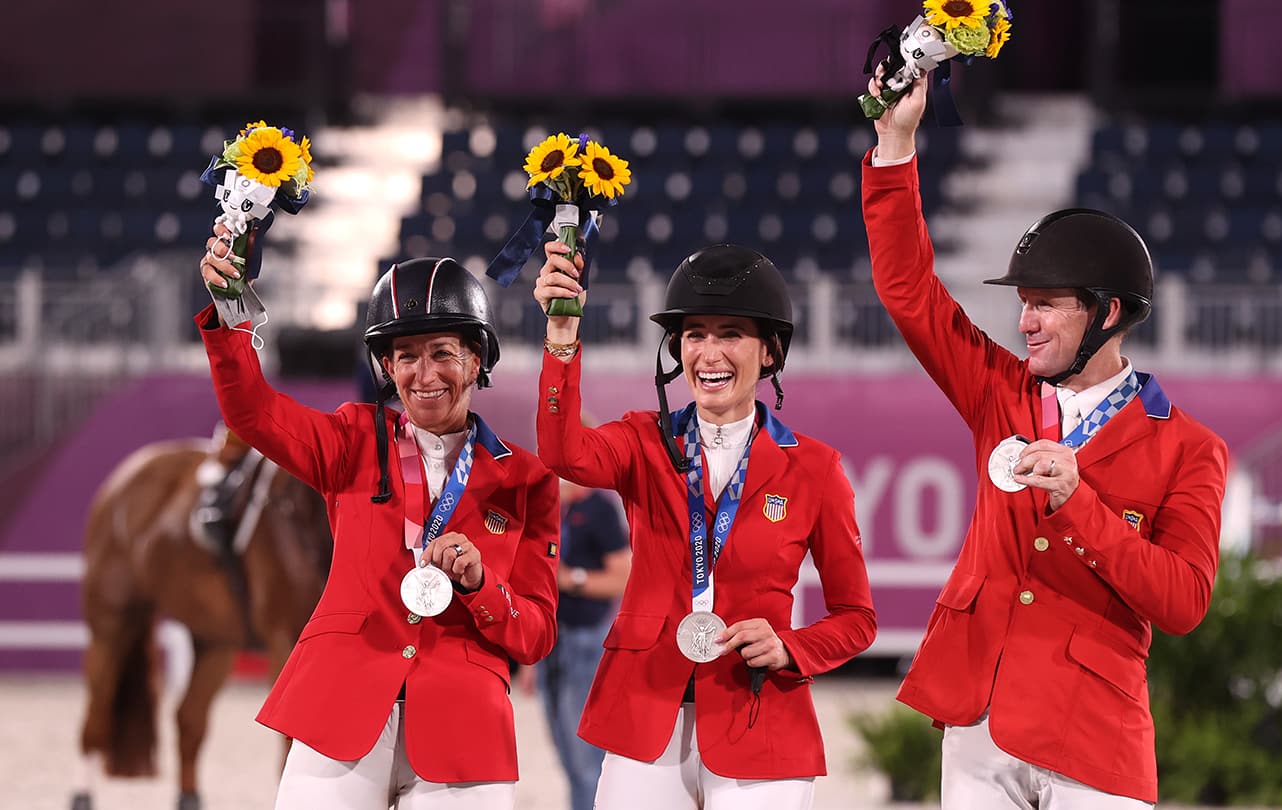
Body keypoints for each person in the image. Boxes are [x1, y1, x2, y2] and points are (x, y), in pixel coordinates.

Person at [861, 75, 1229, 809]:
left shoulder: (1190, 448)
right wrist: (895, 144)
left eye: (1046, 306)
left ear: (1108, 313)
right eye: (1023, 305)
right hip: (979, 721)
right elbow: (909, 291)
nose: (1025, 323)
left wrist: (1078, 502)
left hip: (1093, 732)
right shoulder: (999, 391)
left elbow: (1184, 603)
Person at [198, 228, 560, 810]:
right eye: (405, 357)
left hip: (464, 723)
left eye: (442, 352)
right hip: (339, 705)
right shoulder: (348, 440)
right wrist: (229, 305)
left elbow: (536, 634)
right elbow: (252, 411)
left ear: (476, 360)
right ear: (386, 368)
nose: (424, 375)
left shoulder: (525, 479)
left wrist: (480, 585)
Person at [532, 240, 877, 810]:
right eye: (695, 335)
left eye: (730, 334)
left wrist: (790, 646)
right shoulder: (643, 441)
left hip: (760, 716)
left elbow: (857, 618)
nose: (709, 353)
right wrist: (562, 335)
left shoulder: (815, 469)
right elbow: (562, 454)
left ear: (769, 352)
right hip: (645, 715)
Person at [518, 474, 632, 810]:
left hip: (586, 640)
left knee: (586, 760)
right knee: (565, 753)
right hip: (551, 640)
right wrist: (530, 661)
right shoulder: (555, 509)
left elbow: (622, 578)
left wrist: (571, 579)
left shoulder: (599, 510)